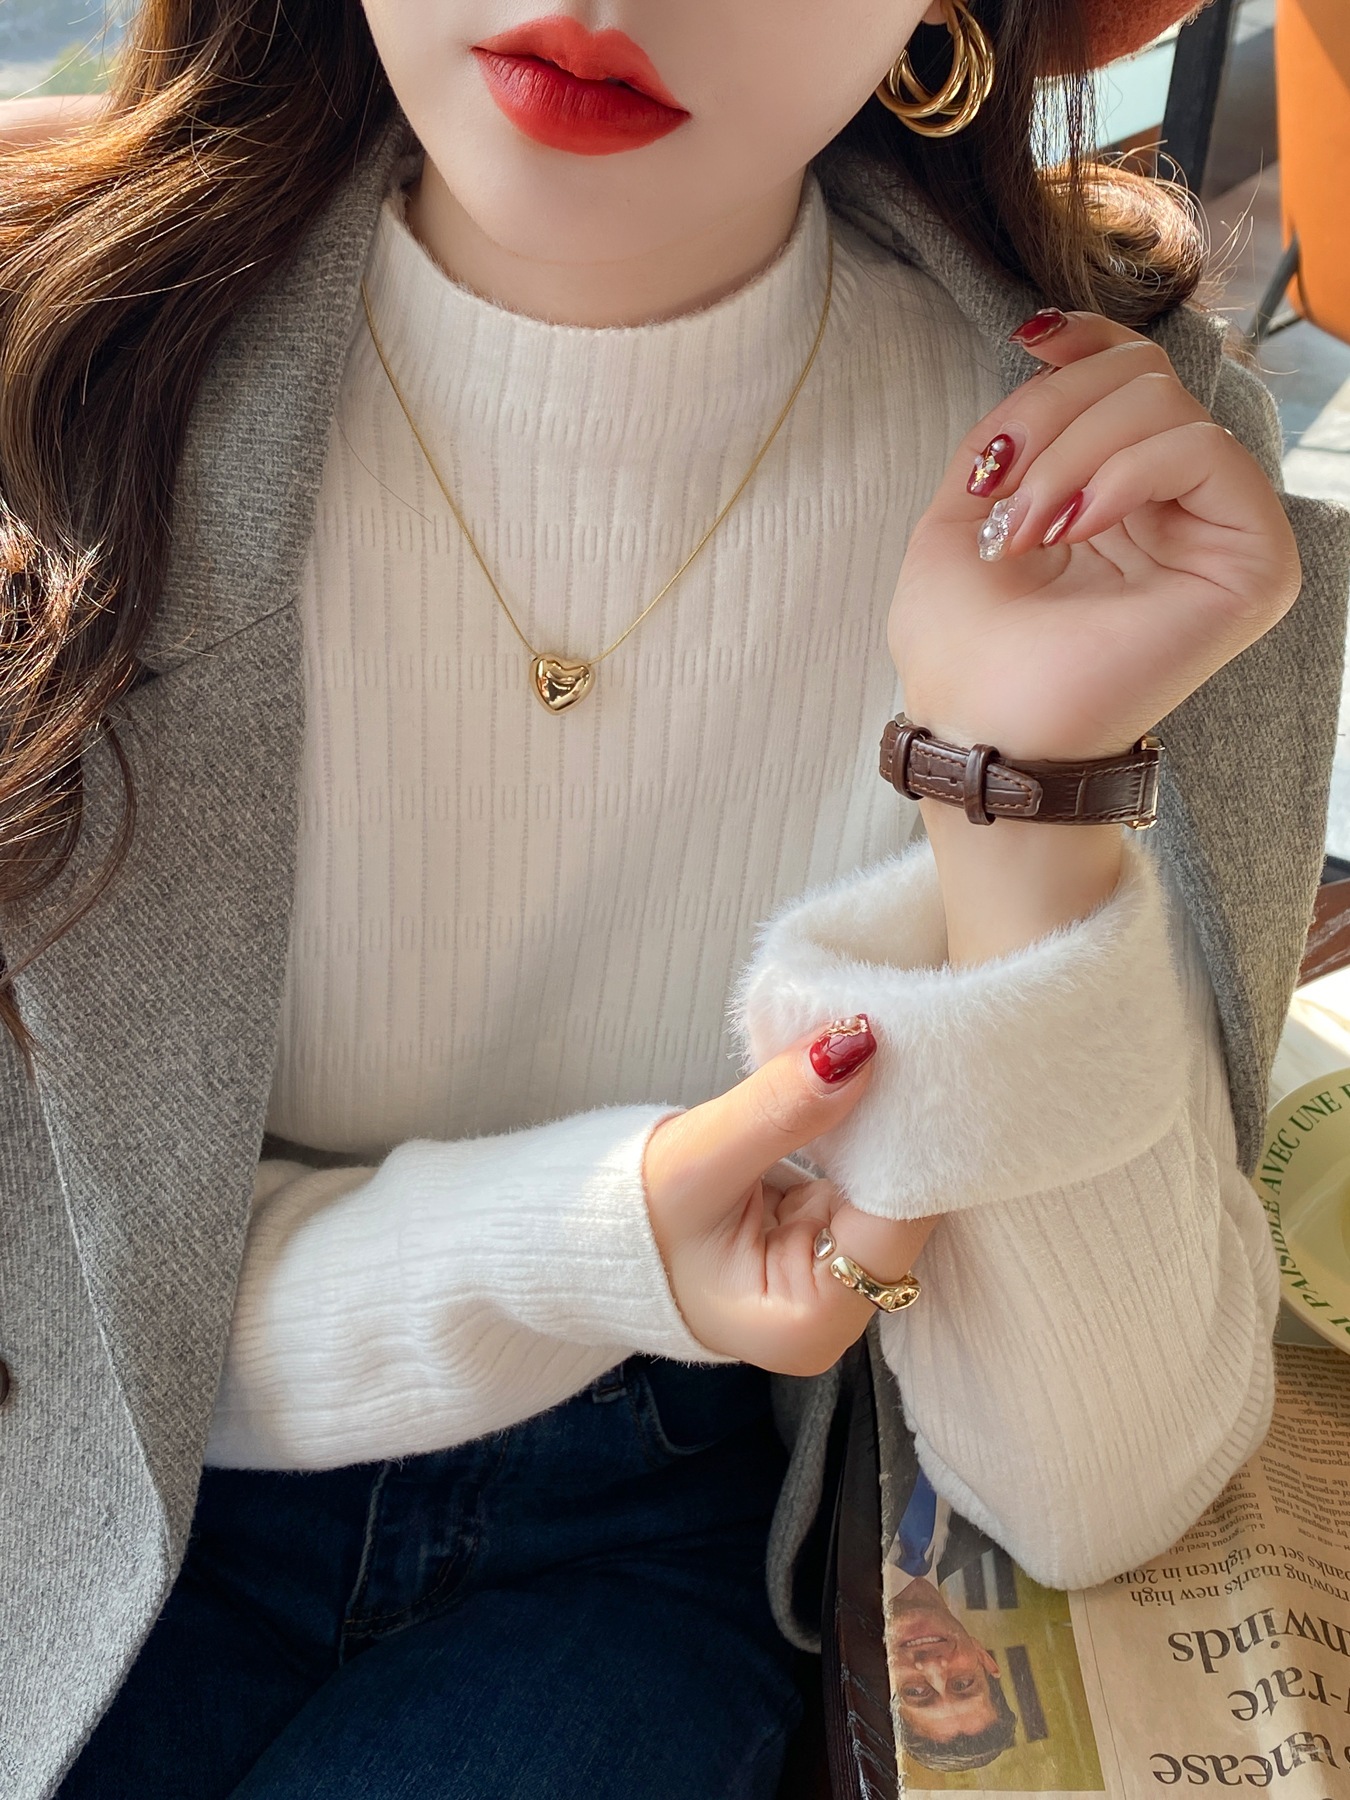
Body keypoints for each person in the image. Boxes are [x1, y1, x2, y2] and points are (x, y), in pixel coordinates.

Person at [1, 1, 1347, 1796]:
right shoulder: (57, 363)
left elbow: (1097, 1491)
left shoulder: (1122, 493)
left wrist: (1016, 788)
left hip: (647, 1547)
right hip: (75, 1475)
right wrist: (574, 1241)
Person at [885, 1467, 1017, 1769]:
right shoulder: (997, 1527)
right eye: (962, 1683)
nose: (933, 1666)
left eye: (915, 1692)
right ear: (984, 1658)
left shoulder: (815, 1572)